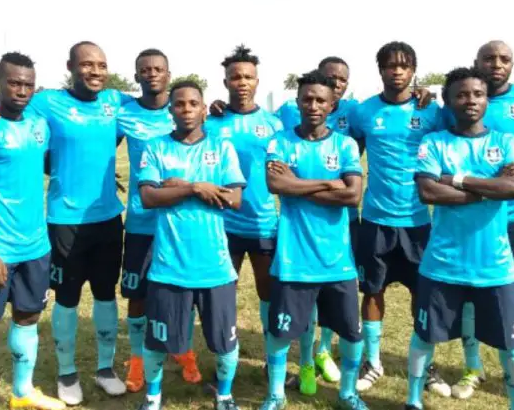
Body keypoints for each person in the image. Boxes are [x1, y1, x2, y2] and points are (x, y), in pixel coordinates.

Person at [0, 41, 132, 404]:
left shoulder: (116, 100)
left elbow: (156, 105)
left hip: (108, 218)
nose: (95, 71)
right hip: (63, 222)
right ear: (70, 67)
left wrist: (213, 106)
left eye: (101, 65)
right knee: (67, 298)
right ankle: (67, 372)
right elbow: (9, 110)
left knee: (106, 295)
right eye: (86, 64)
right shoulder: (45, 102)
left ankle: (105, 368)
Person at [407, 66, 514, 410]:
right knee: (424, 336)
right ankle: (413, 401)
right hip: (442, 265)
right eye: (461, 94)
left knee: (511, 345)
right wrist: (491, 189)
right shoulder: (434, 142)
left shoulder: (505, 142)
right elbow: (428, 192)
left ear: (487, 100)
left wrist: (457, 180)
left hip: (496, 266)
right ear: (448, 101)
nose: (470, 100)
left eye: (478, 94)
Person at [0, 52, 65, 410]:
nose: (21, 90)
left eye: (28, 84)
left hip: (36, 246)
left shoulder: (39, 123)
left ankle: (22, 392)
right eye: (14, 83)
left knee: (28, 317)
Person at [448, 41, 514, 408]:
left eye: (504, 59)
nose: (496, 64)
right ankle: (472, 368)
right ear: (476, 63)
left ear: (513, 64)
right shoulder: (458, 102)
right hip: (471, 217)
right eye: (489, 58)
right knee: (469, 293)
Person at [260, 70, 367, 410]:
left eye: (321, 100)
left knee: (351, 332)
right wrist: (329, 183)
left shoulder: (345, 144)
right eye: (307, 99)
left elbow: (352, 195)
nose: (313, 105)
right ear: (297, 102)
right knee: (280, 333)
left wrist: (298, 184)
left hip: (338, 261)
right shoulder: (280, 142)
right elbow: (276, 186)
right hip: (293, 259)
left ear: (333, 105)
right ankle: (276, 394)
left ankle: (348, 393)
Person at [135, 80, 245, 410]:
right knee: (157, 341)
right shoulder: (156, 147)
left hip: (215, 268)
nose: (186, 110)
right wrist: (196, 188)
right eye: (179, 104)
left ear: (204, 109)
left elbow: (234, 199)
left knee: (225, 342)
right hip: (169, 267)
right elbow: (149, 197)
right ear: (170, 110)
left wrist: (178, 187)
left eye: (193, 103)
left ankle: (224, 395)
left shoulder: (222, 147)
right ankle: (152, 397)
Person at [348, 41, 450, 395]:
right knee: (372, 291)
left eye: (404, 66)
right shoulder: (364, 112)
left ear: (413, 70)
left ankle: (426, 365)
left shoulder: (431, 111)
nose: (397, 71)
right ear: (380, 70)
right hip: (376, 219)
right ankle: (373, 361)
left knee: (422, 294)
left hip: (418, 221)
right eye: (390, 65)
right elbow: (350, 152)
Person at [117, 49, 203, 391]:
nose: (152, 74)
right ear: (136, 75)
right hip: (142, 220)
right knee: (137, 293)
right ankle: (138, 359)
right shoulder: (123, 113)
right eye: (145, 69)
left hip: (183, 221)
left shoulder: (185, 109)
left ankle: (184, 350)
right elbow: (98, 146)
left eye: (158, 69)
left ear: (168, 74)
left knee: (185, 288)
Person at [204, 45, 283, 368]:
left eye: (248, 77)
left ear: (257, 81)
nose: (242, 83)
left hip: (263, 222)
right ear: (225, 82)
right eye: (235, 77)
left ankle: (271, 359)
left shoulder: (274, 124)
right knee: (224, 292)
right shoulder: (212, 123)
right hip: (223, 224)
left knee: (269, 292)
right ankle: (225, 361)